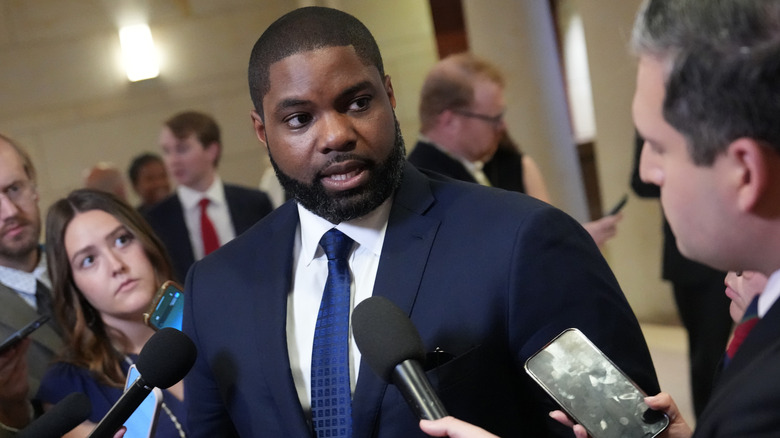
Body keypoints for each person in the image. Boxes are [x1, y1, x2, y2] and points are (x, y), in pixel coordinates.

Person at [182, 6, 659, 438]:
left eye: (357, 103)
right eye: (300, 119)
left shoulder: (524, 242)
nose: (336, 136)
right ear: (262, 132)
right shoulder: (216, 287)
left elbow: (626, 432)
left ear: (388, 95)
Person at [408, 54, 622, 248]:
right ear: (450, 121)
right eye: (493, 118)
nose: (503, 127)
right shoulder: (423, 186)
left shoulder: (493, 162)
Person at [34, 189, 187, 437]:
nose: (116, 265)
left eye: (122, 240)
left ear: (145, 241)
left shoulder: (207, 317)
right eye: (89, 260)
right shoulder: (68, 386)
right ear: (72, 286)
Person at [631, 133, 732, 418]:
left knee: (721, 349)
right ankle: (709, 421)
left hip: (727, 242)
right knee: (702, 351)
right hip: (684, 254)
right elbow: (640, 181)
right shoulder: (654, 119)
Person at [144, 110, 274, 281]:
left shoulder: (254, 203)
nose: (172, 160)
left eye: (182, 149)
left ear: (212, 151)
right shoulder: (154, 220)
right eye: (166, 151)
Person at [0, 134, 62, 436]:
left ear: (33, 188)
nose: (10, 212)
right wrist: (11, 410)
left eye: (14, 189)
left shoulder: (85, 261)